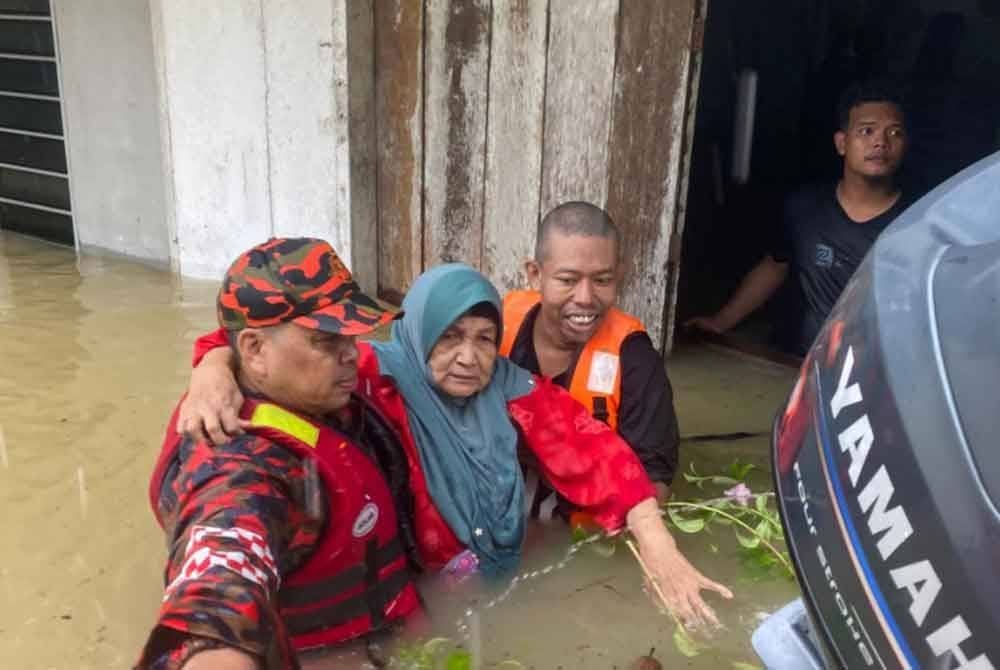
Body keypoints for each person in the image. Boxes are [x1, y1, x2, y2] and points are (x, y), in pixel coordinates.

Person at [180, 258, 733, 632]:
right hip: (416, 581)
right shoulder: (376, 372)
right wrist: (213, 365)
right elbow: (272, 349)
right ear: (420, 332)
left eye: (484, 338)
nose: (469, 357)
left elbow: (599, 455)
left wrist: (661, 551)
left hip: (490, 576)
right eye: (449, 336)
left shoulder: (511, 389)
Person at [137, 238, 421, 670]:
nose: (352, 352)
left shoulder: (311, 388)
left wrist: (214, 361)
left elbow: (232, 336)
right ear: (253, 351)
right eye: (326, 339)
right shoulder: (239, 462)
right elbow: (218, 582)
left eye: (352, 332)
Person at [687, 80, 910, 355]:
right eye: (867, 131)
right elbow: (775, 266)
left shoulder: (917, 223)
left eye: (894, 133)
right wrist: (720, 322)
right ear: (842, 143)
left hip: (871, 369)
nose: (880, 142)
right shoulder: (805, 208)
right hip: (799, 361)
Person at [501, 202, 680, 506]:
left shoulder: (635, 359)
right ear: (535, 275)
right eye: (568, 280)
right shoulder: (491, 330)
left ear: (618, 276)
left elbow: (654, 478)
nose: (585, 299)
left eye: (602, 280)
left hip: (586, 521)